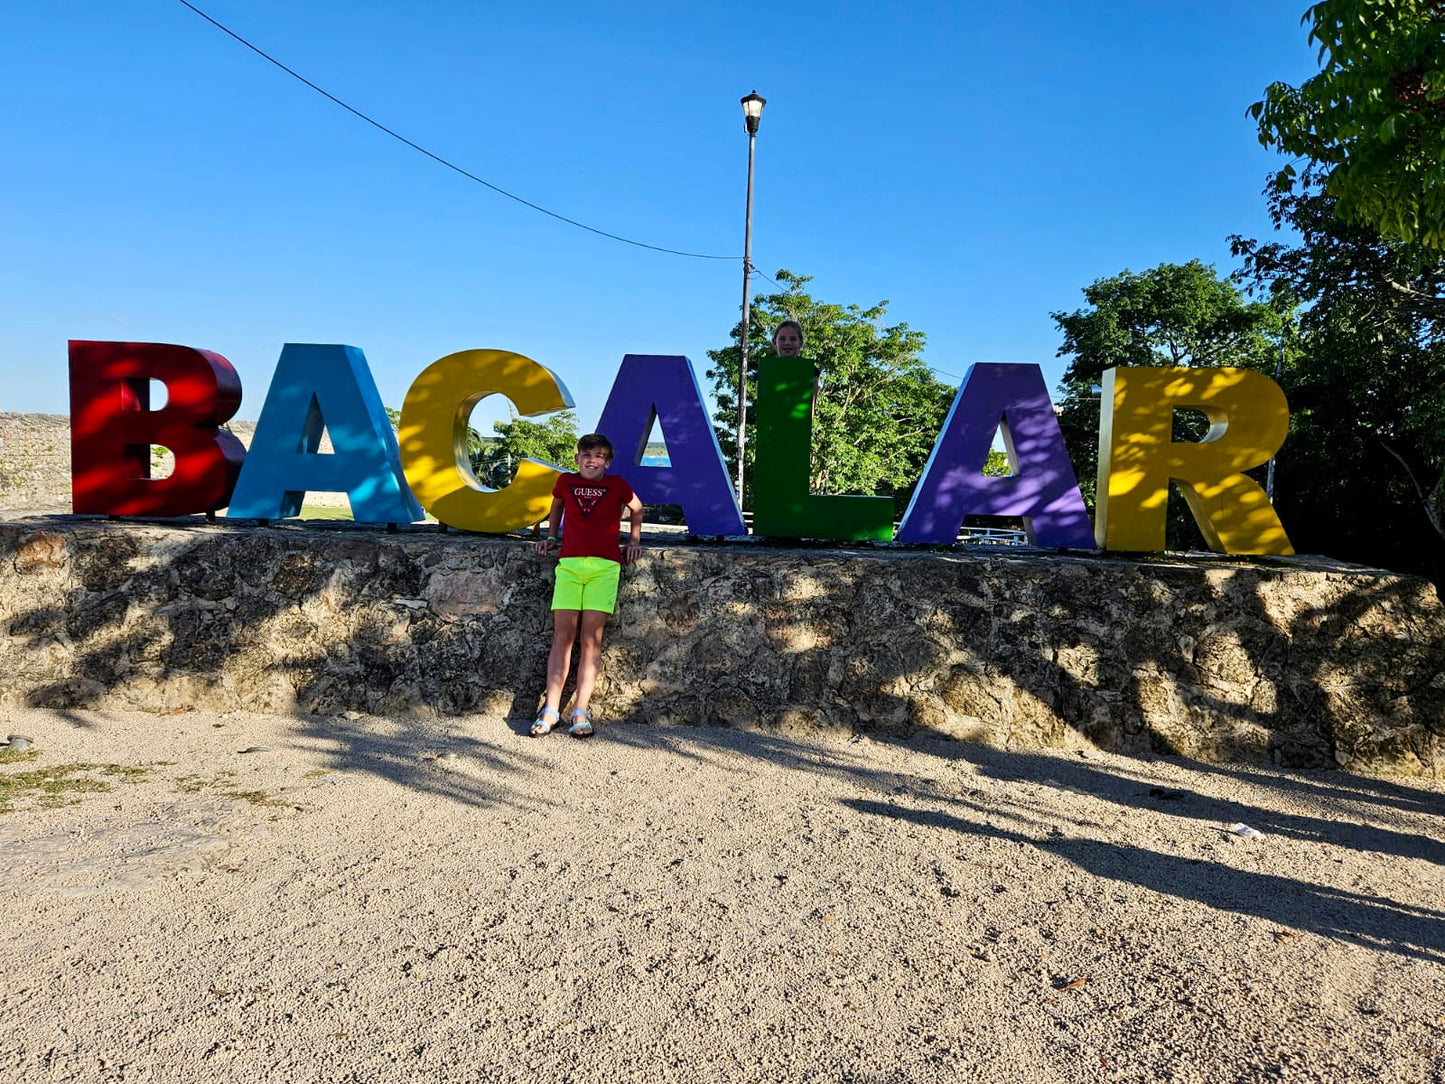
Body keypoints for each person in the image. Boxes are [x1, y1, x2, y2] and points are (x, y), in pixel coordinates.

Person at [530, 433, 643, 738]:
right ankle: (551, 709)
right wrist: (552, 538)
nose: (592, 461)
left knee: (591, 640)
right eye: (587, 455)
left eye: (599, 456)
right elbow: (556, 508)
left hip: (604, 568)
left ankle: (580, 710)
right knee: (562, 638)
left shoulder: (617, 484)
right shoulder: (566, 482)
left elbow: (637, 508)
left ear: (607, 462)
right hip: (569, 567)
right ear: (578, 458)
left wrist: (633, 542)